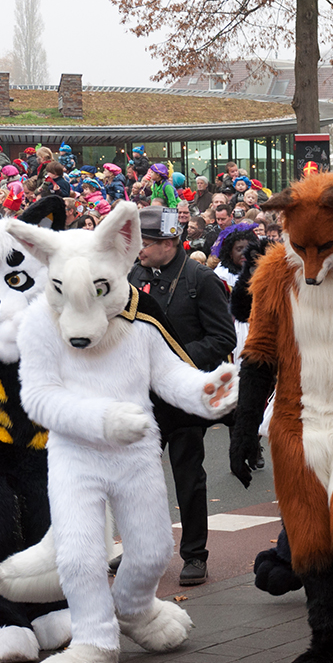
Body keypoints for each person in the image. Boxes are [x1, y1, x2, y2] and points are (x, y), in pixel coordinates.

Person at [128, 206, 237, 586]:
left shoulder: (200, 279)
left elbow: (223, 338)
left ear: (169, 242)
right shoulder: (134, 275)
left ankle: (194, 555)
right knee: (137, 478)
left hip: (185, 396)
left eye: (146, 242)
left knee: (188, 477)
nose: (139, 249)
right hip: (145, 397)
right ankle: (140, 550)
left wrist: (173, 361)